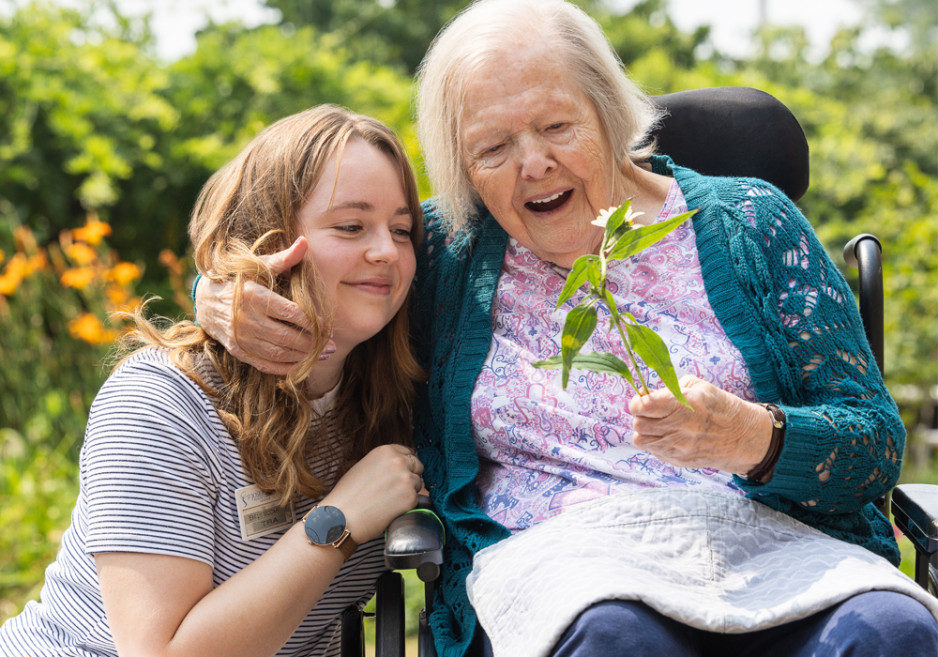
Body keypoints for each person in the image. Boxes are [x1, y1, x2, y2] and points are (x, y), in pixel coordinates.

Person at [191, 1, 938, 656]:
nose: (534, 164)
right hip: (571, 576)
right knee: (617, 638)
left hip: (786, 557)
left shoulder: (754, 222)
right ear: (464, 168)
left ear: (611, 113)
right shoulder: (447, 254)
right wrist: (214, 296)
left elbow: (872, 444)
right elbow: (325, 266)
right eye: (493, 147)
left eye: (556, 126)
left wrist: (755, 437)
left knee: (894, 631)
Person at [0, 105, 428, 657]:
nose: (385, 252)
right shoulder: (161, 404)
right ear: (267, 238)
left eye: (402, 230)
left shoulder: (395, 391)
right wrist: (337, 523)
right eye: (350, 226)